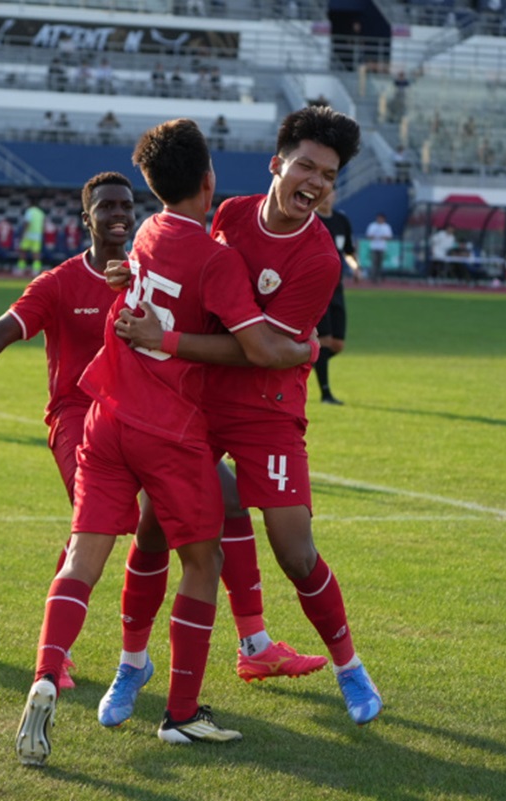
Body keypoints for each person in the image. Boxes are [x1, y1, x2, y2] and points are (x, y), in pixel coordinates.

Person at [14, 119, 319, 767]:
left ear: (149, 188)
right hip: (170, 429)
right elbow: (258, 347)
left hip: (106, 416)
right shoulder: (216, 257)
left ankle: (47, 672)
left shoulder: (146, 233)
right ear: (209, 181)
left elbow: (134, 279)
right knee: (202, 563)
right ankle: (181, 713)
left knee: (84, 558)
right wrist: (305, 346)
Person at [113, 106, 382, 729]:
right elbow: (193, 285)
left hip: (268, 410)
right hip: (200, 404)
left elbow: (260, 354)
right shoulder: (228, 216)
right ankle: (133, 663)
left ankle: (349, 667)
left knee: (295, 551)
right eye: (305, 166)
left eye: (329, 175)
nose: (315, 183)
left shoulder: (318, 258)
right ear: (276, 164)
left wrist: (167, 341)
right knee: (153, 527)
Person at [0, 172, 137, 691]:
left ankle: (252, 640)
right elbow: (7, 326)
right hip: (77, 417)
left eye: (127, 204)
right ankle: (57, 658)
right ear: (86, 218)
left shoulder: (151, 276)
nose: (119, 213)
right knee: (93, 521)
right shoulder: (58, 283)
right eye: (107, 206)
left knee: (210, 511)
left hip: (142, 416)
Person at [315, 188, 359, 405]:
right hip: (317, 288)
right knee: (324, 339)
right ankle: (325, 394)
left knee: (337, 344)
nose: (327, 196)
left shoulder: (342, 220)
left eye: (330, 192)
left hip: (337, 288)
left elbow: (349, 251)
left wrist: (355, 266)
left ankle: (309, 363)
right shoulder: (310, 220)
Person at [17, 197, 45, 276]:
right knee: (36, 253)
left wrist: (23, 233)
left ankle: (21, 269)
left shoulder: (29, 211)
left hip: (29, 234)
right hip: (37, 236)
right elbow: (43, 225)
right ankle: (35, 270)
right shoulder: (41, 213)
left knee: (23, 251)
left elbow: (27, 223)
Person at [364, 211, 393, 284]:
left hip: (382, 247)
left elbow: (389, 237)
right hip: (374, 247)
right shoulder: (372, 225)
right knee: (374, 263)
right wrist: (373, 237)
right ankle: (373, 278)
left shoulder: (386, 226)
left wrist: (383, 237)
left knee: (380, 264)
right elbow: (368, 235)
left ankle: (379, 277)